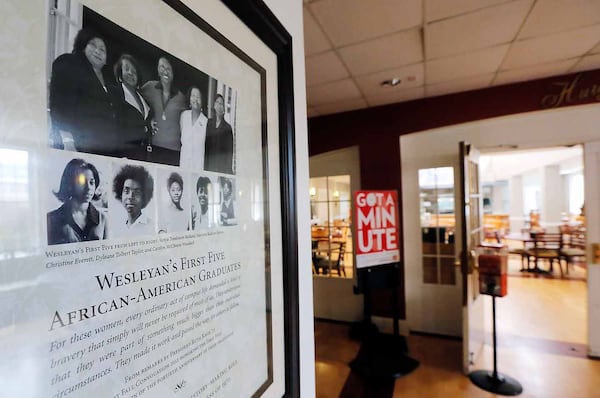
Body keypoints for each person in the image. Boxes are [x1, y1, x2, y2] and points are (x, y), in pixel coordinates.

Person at [49, 29, 120, 156]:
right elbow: (60, 105)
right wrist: (67, 142)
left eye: (102, 49)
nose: (98, 51)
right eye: (93, 44)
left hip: (105, 152)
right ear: (83, 46)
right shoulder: (69, 62)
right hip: (76, 147)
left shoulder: (110, 82)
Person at [47, 158, 108, 245]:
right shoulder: (52, 219)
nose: (89, 188)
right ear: (69, 184)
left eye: (91, 182)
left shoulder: (103, 218)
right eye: (82, 182)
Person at [140, 56, 186, 166]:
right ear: (158, 70)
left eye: (168, 68)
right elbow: (136, 102)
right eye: (162, 67)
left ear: (173, 73)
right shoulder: (149, 87)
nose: (165, 71)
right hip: (154, 148)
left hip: (175, 151)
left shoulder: (181, 97)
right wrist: (147, 121)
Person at [113, 54, 153, 160]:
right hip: (123, 157)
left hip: (143, 157)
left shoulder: (146, 102)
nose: (131, 73)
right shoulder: (115, 95)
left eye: (134, 71)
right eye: (127, 69)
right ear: (120, 75)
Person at [112, 164, 154, 237]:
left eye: (137, 192)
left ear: (144, 197)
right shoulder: (117, 227)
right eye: (126, 191)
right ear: (120, 193)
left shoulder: (151, 227)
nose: (130, 197)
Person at [204, 94, 234, 174]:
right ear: (214, 105)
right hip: (209, 166)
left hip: (222, 167)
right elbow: (205, 148)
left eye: (222, 104)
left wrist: (227, 172)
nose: (220, 106)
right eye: (218, 103)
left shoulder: (228, 128)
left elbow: (229, 153)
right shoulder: (208, 123)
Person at [179, 86, 208, 169]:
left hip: (198, 166)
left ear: (202, 101)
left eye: (198, 97)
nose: (195, 99)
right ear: (189, 98)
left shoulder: (206, 122)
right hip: (184, 164)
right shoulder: (184, 116)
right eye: (193, 96)